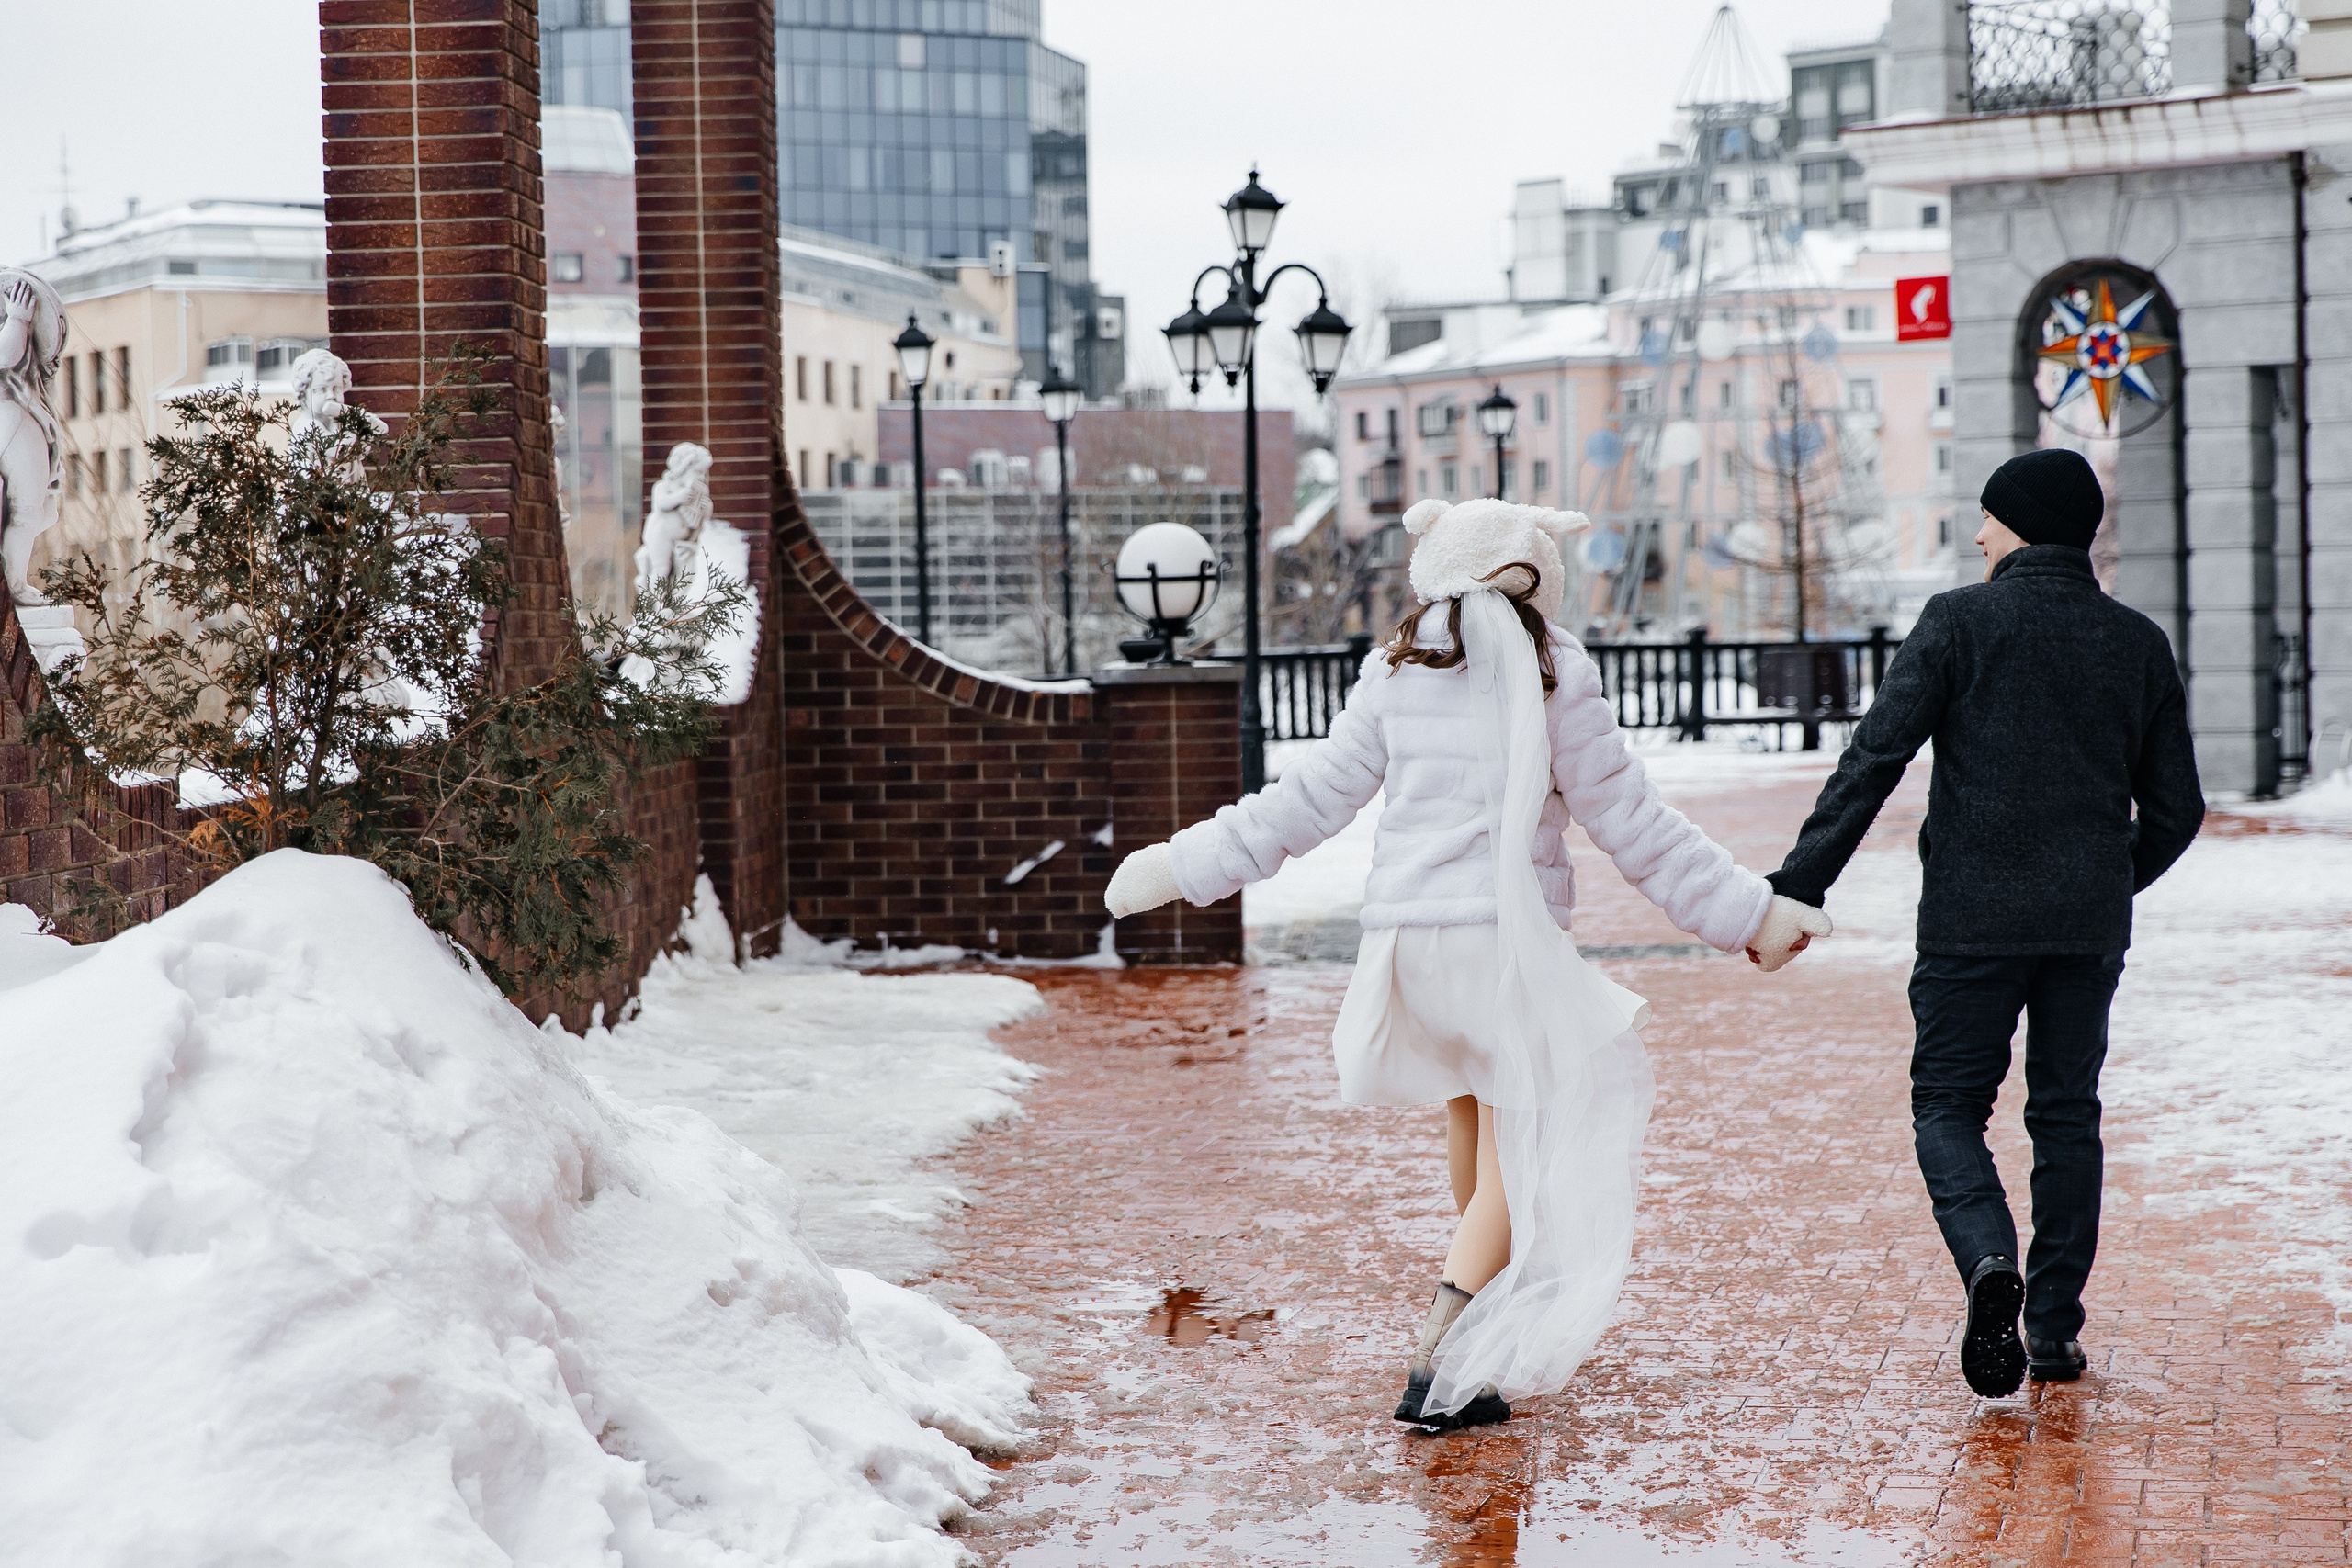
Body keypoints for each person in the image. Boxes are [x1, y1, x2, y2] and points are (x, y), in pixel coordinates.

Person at [1103, 497, 1831, 1430]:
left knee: (1480, 1133)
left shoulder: (1395, 666)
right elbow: (1632, 824)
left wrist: (1179, 864)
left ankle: (1476, 1346)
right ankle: (1443, 1352)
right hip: (1503, 945)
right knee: (1519, 1159)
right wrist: (1748, 917)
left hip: (1411, 949)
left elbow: (1304, 803)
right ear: (1532, 577)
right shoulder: (1551, 669)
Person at [1751, 447, 2203, 1398]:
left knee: (1947, 1106)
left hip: (1969, 920)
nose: (1975, 533)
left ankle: (1987, 1261)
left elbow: (1872, 762)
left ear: (2022, 524)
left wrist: (1799, 886)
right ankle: (2051, 1331)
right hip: (2085, 926)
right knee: (2066, 1115)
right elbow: (2175, 812)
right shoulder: (2136, 642)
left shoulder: (1959, 620)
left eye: (1989, 517)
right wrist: (2107, 882)